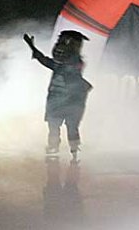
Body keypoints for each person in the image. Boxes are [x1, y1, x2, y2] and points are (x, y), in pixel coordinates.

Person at [24, 31, 93, 160]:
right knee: (57, 125)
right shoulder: (70, 63)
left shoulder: (73, 63)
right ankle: (63, 149)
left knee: (67, 126)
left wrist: (32, 47)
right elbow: (47, 61)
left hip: (67, 100)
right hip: (59, 98)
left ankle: (71, 150)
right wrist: (32, 47)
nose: (59, 47)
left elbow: (48, 61)